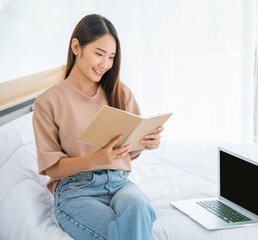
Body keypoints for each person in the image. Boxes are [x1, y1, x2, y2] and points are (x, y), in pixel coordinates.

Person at [32, 14, 162, 240]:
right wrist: (95, 160)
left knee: (139, 208)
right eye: (99, 54)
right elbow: (52, 168)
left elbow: (127, 148)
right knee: (127, 231)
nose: (105, 64)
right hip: (75, 191)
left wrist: (145, 142)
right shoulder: (47, 102)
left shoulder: (119, 92)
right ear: (76, 47)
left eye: (111, 57)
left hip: (119, 183)